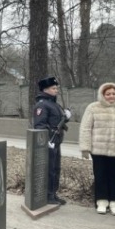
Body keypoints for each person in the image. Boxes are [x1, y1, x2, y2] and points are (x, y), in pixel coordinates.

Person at [79, 82, 115, 215]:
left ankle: (114, 202)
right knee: (100, 176)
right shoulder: (93, 108)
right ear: (103, 94)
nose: (111, 96)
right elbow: (85, 128)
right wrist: (85, 148)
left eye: (114, 94)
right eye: (108, 94)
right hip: (98, 149)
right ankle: (101, 201)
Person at [32, 76, 71, 205]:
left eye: (56, 88)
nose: (56, 90)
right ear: (45, 89)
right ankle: (48, 195)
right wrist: (49, 139)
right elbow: (40, 125)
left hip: (56, 142)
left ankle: (53, 193)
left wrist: (66, 117)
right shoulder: (42, 105)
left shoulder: (54, 104)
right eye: (53, 88)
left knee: (56, 169)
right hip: (48, 143)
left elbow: (57, 122)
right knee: (49, 170)